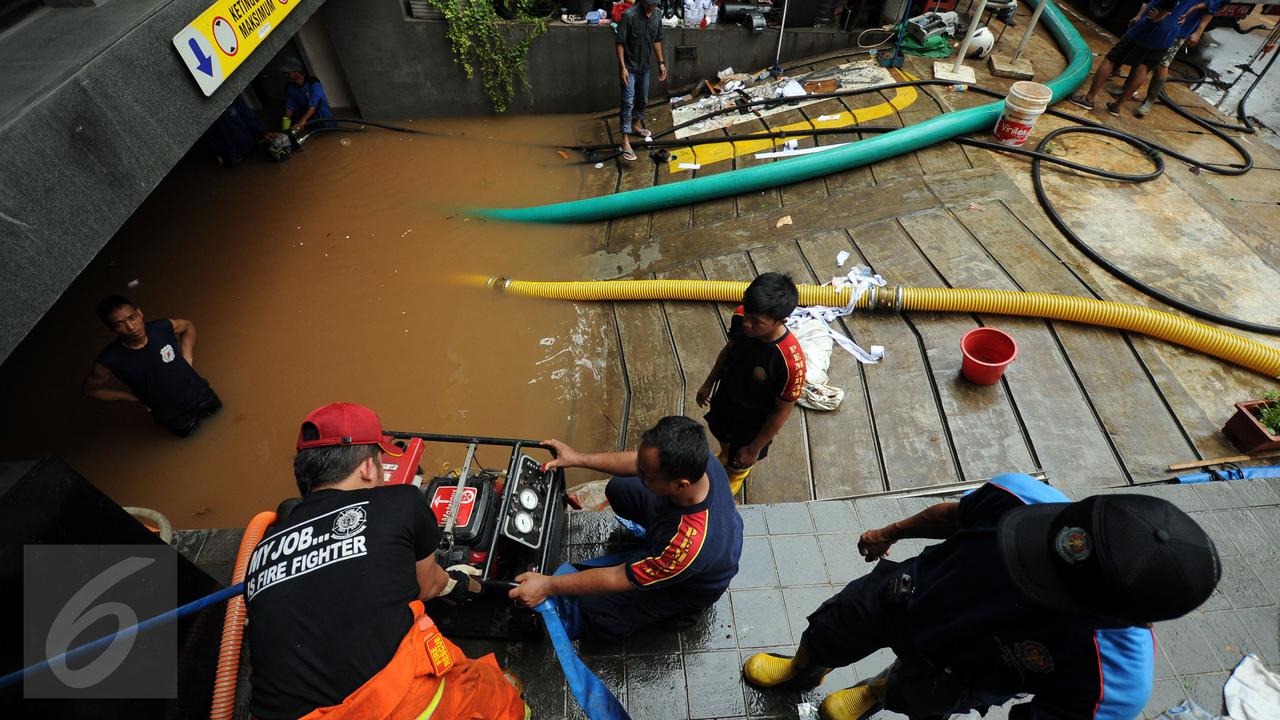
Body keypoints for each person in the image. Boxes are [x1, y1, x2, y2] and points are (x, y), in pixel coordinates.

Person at [742, 473, 1221, 720]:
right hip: (905, 595)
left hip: (961, 672)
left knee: (914, 694)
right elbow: (953, 516)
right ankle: (804, 668)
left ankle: (875, 691)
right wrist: (890, 532)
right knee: (833, 625)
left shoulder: (1113, 681)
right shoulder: (1022, 496)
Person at [245, 402, 528, 720]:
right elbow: (428, 586)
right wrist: (463, 583)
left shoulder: (261, 548)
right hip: (386, 704)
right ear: (368, 467)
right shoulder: (402, 502)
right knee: (496, 695)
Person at [508, 416, 743, 640]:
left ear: (680, 485)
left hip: (693, 583)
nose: (638, 472)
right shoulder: (698, 461)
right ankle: (655, 546)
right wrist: (577, 458)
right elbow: (637, 462)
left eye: (645, 474)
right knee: (620, 489)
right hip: (686, 531)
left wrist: (547, 586)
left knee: (595, 610)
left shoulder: (685, 547)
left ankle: (683, 611)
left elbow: (617, 577)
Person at [697, 272, 806, 498]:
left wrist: (754, 448)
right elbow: (729, 350)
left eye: (757, 322)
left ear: (780, 321)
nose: (747, 323)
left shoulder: (790, 362)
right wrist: (709, 383)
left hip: (753, 422)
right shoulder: (741, 316)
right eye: (747, 312)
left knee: (741, 460)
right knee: (722, 436)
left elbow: (782, 411)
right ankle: (726, 456)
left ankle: (734, 478)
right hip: (727, 399)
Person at [82, 296, 222, 437]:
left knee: (222, 420)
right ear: (109, 329)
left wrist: (187, 358)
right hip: (173, 416)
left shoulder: (161, 327)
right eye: (119, 324)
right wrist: (132, 397)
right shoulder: (110, 359)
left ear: (140, 313)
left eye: (132, 318)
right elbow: (90, 390)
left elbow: (187, 326)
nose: (131, 327)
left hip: (202, 395)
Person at [1068, 0, 1179, 116]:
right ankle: (1116, 106)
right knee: (1143, 68)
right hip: (1168, 35)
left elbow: (1169, 4)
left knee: (1111, 59)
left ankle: (1088, 99)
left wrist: (1159, 15)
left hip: (1149, 28)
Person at [1132, 0, 1221, 117]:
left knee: (1162, 65)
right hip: (1157, 20)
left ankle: (1149, 100)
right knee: (1141, 54)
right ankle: (1127, 89)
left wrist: (1198, 32)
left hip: (1179, 29)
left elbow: (1210, 8)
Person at [615, 0, 667, 162]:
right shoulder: (628, 16)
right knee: (628, 101)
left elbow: (656, 40)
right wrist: (622, 67)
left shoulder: (657, 15)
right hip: (629, 68)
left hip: (644, 67)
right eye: (650, 3)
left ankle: (635, 125)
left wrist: (661, 62)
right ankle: (625, 141)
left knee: (643, 99)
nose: (652, 6)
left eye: (655, 3)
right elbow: (620, 43)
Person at [280, 57, 333, 132]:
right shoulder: (290, 88)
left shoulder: (313, 83)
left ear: (297, 71)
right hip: (308, 123)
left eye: (288, 73)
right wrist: (285, 129)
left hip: (323, 119)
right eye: (284, 73)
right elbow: (289, 110)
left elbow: (313, 105)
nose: (285, 75)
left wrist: (302, 121)